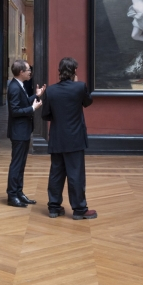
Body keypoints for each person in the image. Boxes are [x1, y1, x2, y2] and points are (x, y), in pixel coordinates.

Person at [41, 57, 97, 220]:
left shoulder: (50, 90)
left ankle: (54, 207)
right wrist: (77, 83)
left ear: (59, 72)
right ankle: (79, 209)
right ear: (74, 72)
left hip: (57, 137)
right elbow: (88, 102)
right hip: (75, 138)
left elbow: (45, 115)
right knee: (75, 174)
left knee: (56, 173)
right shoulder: (79, 87)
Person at [7, 60, 46, 207]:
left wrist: (36, 96)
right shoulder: (14, 88)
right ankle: (12, 195)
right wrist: (33, 109)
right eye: (28, 70)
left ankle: (18, 192)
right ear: (21, 72)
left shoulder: (18, 85)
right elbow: (15, 111)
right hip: (18, 132)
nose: (30, 72)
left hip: (22, 131)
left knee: (21, 164)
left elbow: (23, 103)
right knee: (16, 164)